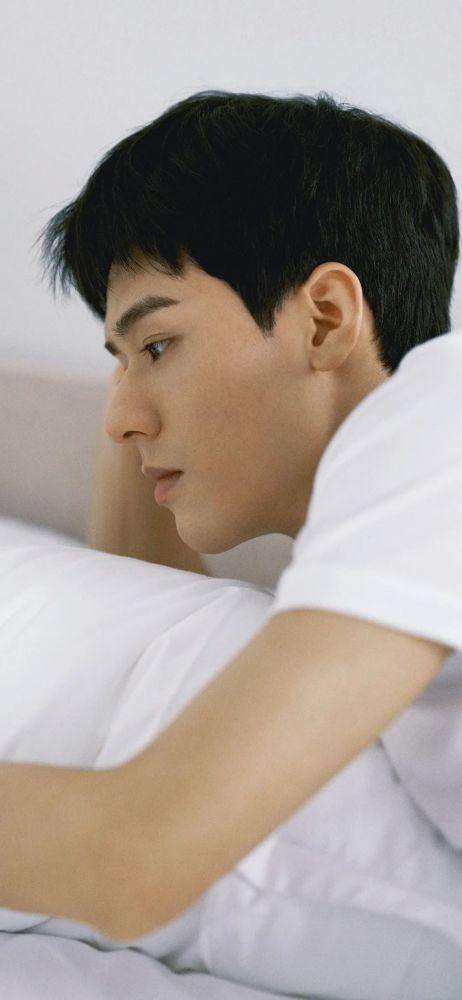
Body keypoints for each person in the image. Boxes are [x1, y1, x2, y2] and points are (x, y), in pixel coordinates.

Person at [1, 87, 458, 942]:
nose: (117, 416)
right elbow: (144, 601)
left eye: (159, 345)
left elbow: (137, 854)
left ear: (326, 318)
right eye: (120, 361)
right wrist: (141, 366)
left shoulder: (444, 419)